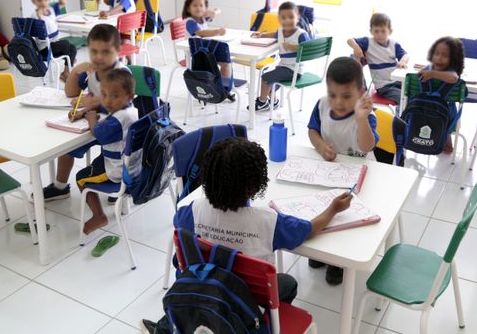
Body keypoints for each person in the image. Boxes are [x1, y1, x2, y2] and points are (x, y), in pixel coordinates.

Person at [140, 137, 353, 334]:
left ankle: (172, 327)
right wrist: (333, 208)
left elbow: (181, 255)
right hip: (247, 300)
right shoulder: (269, 222)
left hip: (201, 287)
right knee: (288, 283)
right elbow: (310, 228)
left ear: (210, 180)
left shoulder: (188, 212)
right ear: (254, 186)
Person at [307, 56, 378, 285]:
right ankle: (320, 250)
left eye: (346, 96)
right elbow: (313, 131)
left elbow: (367, 146)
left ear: (361, 92)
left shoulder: (366, 114)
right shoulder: (321, 105)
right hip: (328, 171)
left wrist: (361, 119)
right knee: (321, 208)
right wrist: (320, 146)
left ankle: (339, 261)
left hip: (359, 174)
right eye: (333, 94)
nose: (338, 102)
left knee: (346, 216)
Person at [42, 24, 127, 201]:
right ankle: (60, 187)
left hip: (116, 132)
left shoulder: (121, 73)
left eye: (105, 52)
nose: (99, 57)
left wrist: (92, 103)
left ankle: (118, 184)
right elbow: (70, 93)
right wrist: (76, 70)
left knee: (113, 155)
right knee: (66, 146)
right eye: (94, 52)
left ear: (118, 50)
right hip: (94, 123)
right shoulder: (92, 73)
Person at [73, 68, 139, 233]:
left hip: (117, 169)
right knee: (94, 165)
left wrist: (91, 120)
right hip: (130, 164)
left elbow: (99, 134)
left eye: (114, 96)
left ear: (129, 96)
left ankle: (98, 216)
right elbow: (105, 111)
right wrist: (84, 112)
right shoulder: (129, 109)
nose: (108, 101)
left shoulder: (119, 118)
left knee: (81, 178)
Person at [250, 1, 311, 111]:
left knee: (265, 78)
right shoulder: (281, 31)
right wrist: (262, 35)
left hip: (294, 70)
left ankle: (262, 102)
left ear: (297, 18)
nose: (287, 20)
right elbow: (274, 34)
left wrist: (293, 47)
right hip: (283, 66)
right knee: (269, 81)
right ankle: (274, 102)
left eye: (291, 17)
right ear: (279, 19)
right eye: (284, 17)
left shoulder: (301, 34)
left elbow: (309, 49)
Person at [347, 12, 409, 103]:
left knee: (412, 93)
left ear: (390, 31)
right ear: (371, 31)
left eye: (383, 31)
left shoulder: (394, 44)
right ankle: (401, 116)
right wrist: (356, 47)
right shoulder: (368, 42)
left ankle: (406, 113)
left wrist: (403, 61)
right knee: (403, 98)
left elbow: (405, 54)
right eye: (376, 31)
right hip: (384, 86)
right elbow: (349, 40)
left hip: (398, 81)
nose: (379, 34)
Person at [418, 36, 465, 154]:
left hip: (424, 111)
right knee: (447, 113)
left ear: (453, 59)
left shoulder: (445, 71)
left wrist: (433, 74)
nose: (439, 58)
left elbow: (454, 78)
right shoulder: (429, 68)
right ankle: (445, 140)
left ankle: (441, 139)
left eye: (444, 55)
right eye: (436, 53)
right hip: (442, 114)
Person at [31, 0, 77, 82]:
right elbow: (40, 31)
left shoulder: (51, 10)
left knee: (72, 48)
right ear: (33, 1)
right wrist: (40, 16)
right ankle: (70, 62)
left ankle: (65, 72)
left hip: (54, 44)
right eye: (39, 0)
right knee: (66, 44)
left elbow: (63, 3)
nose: (43, 2)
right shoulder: (35, 15)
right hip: (45, 49)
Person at [181, 0, 231, 81]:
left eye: (201, 5)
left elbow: (219, 10)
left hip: (204, 49)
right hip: (195, 52)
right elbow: (201, 33)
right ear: (188, 9)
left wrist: (214, 12)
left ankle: (224, 87)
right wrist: (217, 31)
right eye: (195, 5)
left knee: (226, 62)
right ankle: (223, 87)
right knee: (225, 62)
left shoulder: (203, 18)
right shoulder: (190, 21)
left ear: (205, 8)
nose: (198, 8)